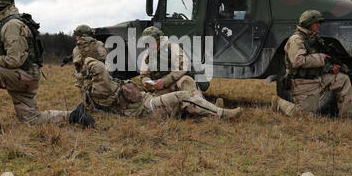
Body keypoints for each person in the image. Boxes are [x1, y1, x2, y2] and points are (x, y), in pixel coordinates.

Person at [0, 0, 72, 133]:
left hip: (24, 74)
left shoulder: (12, 25)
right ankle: (74, 116)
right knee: (31, 120)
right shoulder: (1, 24)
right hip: (24, 74)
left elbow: (14, 60)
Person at [81, 57, 242, 122]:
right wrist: (85, 60)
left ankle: (208, 110)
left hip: (147, 99)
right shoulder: (99, 90)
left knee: (187, 84)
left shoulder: (100, 87)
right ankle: (221, 114)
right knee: (183, 97)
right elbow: (99, 67)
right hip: (147, 109)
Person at [271, 10, 352, 118]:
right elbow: (297, 61)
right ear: (308, 23)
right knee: (304, 116)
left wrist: (330, 68)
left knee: (343, 79)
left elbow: (315, 61)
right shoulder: (296, 40)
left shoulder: (313, 39)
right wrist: (320, 58)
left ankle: (348, 117)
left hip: (317, 78)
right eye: (316, 22)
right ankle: (278, 103)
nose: (319, 25)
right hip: (302, 84)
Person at [72, 25, 107, 93]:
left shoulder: (76, 49)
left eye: (77, 36)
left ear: (83, 36)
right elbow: (104, 59)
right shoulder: (99, 44)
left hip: (84, 82)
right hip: (101, 79)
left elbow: (77, 67)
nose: (76, 38)